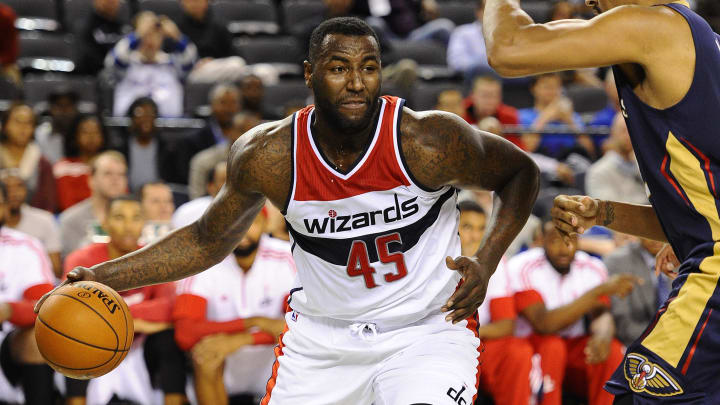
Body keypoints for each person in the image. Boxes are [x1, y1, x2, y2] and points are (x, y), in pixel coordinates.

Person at [41, 17, 539, 405]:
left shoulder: (427, 139)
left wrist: (488, 260)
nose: (356, 82)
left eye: (368, 67)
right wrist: (103, 277)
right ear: (309, 74)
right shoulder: (271, 156)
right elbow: (206, 239)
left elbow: (521, 173)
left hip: (424, 333)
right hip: (321, 345)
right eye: (339, 67)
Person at [485, 0, 720, 401]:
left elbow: (508, 47)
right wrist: (606, 213)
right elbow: (704, 207)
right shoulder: (698, 39)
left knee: (637, 396)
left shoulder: (652, 26)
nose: (591, 3)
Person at [63, 196, 185, 405]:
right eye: (120, 217)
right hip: (93, 343)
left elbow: (168, 308)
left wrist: (110, 315)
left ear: (144, 223)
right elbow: (72, 311)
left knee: (169, 339)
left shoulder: (155, 259)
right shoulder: (81, 260)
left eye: (136, 218)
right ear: (105, 223)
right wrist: (136, 322)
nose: (129, 226)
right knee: (70, 340)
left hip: (141, 347)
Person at [507, 218, 636, 405]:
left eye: (571, 241)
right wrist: (598, 291)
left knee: (612, 348)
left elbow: (602, 314)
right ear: (542, 240)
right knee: (553, 346)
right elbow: (544, 324)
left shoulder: (592, 266)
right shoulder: (523, 266)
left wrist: (602, 335)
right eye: (555, 240)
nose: (564, 249)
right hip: (534, 345)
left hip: (575, 347)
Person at [174, 211, 295, 405]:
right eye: (235, 223)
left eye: (251, 222)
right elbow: (185, 333)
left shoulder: (286, 256)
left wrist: (242, 339)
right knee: (204, 357)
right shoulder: (204, 260)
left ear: (265, 224)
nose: (242, 231)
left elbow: (299, 327)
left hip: (272, 364)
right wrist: (255, 322)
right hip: (224, 367)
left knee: (303, 349)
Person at [458, 200, 539, 405]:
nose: (475, 236)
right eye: (467, 227)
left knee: (517, 352)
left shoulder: (494, 262)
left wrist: (470, 335)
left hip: (478, 339)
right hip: (436, 341)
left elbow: (506, 324)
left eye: (481, 228)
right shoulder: (432, 259)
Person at [0, 182, 56, 405]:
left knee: (36, 338)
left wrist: (8, 309)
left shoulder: (24, 247)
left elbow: (45, 306)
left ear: (5, 208)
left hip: (7, 345)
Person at [107, 11, 197, 117]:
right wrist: (137, 35)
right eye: (146, 35)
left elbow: (191, 60)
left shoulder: (172, 63)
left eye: (155, 34)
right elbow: (114, 60)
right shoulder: (127, 62)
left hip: (169, 128)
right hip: (128, 126)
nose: (150, 40)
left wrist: (177, 36)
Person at [110, 97, 190, 191]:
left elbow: (176, 181)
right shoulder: (120, 147)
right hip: (127, 196)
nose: (145, 118)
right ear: (131, 119)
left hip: (158, 197)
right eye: (140, 113)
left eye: (150, 113)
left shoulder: (168, 148)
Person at [59, 151, 128, 257]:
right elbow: (71, 267)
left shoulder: (138, 218)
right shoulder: (71, 220)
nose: (116, 179)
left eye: (121, 174)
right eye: (108, 173)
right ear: (91, 180)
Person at [604, 238, 672, 347]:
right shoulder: (617, 261)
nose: (655, 237)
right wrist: (665, 339)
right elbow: (623, 323)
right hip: (637, 345)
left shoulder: (685, 256)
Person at [0, 169, 62, 278]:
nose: (14, 193)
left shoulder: (44, 220)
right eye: (7, 188)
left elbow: (56, 270)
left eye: (19, 186)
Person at [0, 102, 58, 213]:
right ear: (5, 125)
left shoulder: (43, 163)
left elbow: (49, 204)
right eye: (18, 122)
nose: (23, 128)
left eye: (28, 123)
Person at [188, 112, 260, 199]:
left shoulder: (266, 163)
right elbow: (196, 200)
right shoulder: (203, 162)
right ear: (229, 132)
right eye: (242, 130)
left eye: (255, 132)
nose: (249, 136)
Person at [585, 114, 647, 205]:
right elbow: (609, 211)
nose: (628, 136)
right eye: (623, 131)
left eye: (632, 130)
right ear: (613, 133)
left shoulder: (645, 166)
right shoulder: (598, 172)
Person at [53, 114, 106, 212]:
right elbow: (66, 204)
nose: (91, 137)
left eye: (95, 132)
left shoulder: (112, 166)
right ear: (75, 136)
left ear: (103, 136)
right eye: (85, 132)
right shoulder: (63, 167)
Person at [462, 75, 523, 148]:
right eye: (485, 96)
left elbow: (518, 150)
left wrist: (500, 138)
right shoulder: (461, 112)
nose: (489, 101)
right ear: (473, 95)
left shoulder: (510, 116)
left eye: (494, 96)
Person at [77, 0, 130, 75]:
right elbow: (87, 55)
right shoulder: (86, 27)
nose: (111, 2)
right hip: (95, 73)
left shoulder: (123, 27)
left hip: (121, 73)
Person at [447, 0, 494, 83]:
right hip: (474, 78)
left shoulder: (508, 35)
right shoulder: (462, 33)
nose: (493, 14)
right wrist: (484, 65)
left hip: (505, 78)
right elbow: (457, 62)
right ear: (478, 12)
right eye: (489, 9)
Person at [34, 86, 80, 165]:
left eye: (68, 105)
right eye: (59, 105)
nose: (64, 111)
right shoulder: (40, 133)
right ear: (51, 109)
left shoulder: (84, 132)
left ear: (75, 109)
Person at [173, 161, 226, 230]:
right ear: (211, 187)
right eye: (224, 179)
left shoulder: (244, 210)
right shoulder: (188, 212)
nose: (232, 182)